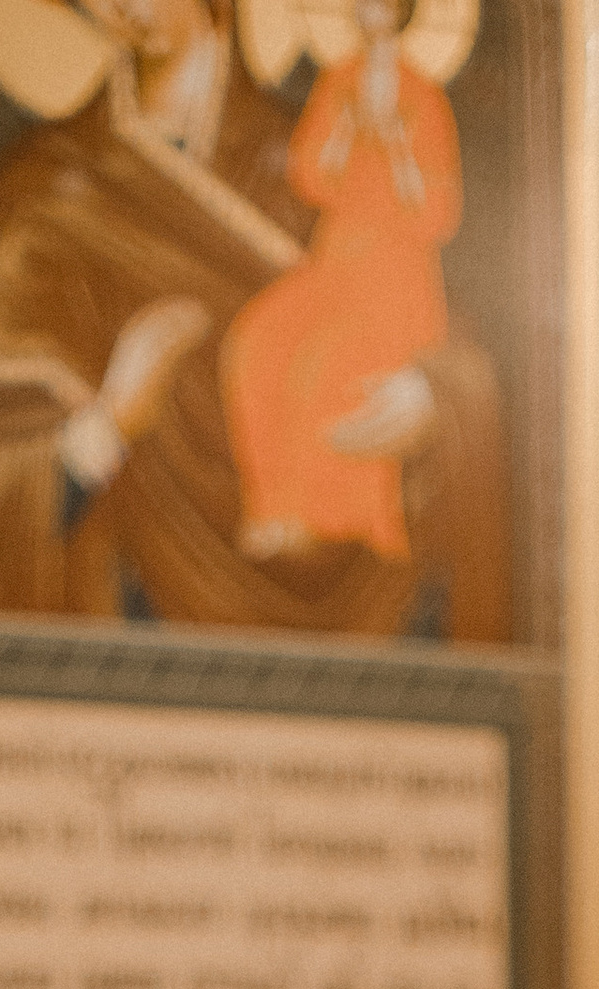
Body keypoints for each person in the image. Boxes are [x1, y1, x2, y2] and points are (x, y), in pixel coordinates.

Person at [0, 0, 508, 642]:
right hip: (135, 647)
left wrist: (429, 400)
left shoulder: (317, 162)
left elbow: (433, 322)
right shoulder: (44, 199)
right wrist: (106, 427)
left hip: (359, 644)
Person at [219, 0, 465, 566]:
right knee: (257, 340)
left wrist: (399, 144)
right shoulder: (338, 83)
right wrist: (351, 127)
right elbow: (310, 178)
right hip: (334, 261)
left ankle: (325, 517)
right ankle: (269, 508)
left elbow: (437, 215)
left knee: (324, 361)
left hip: (394, 276)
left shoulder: (424, 96)